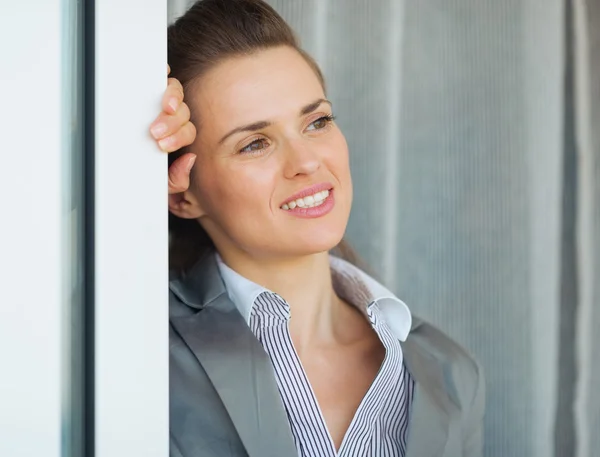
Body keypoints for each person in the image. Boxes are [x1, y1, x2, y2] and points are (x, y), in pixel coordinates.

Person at [149, 1, 485, 456]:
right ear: (183, 195)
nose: (308, 162)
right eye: (254, 144)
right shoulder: (141, 351)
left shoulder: (450, 374)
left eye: (317, 121)